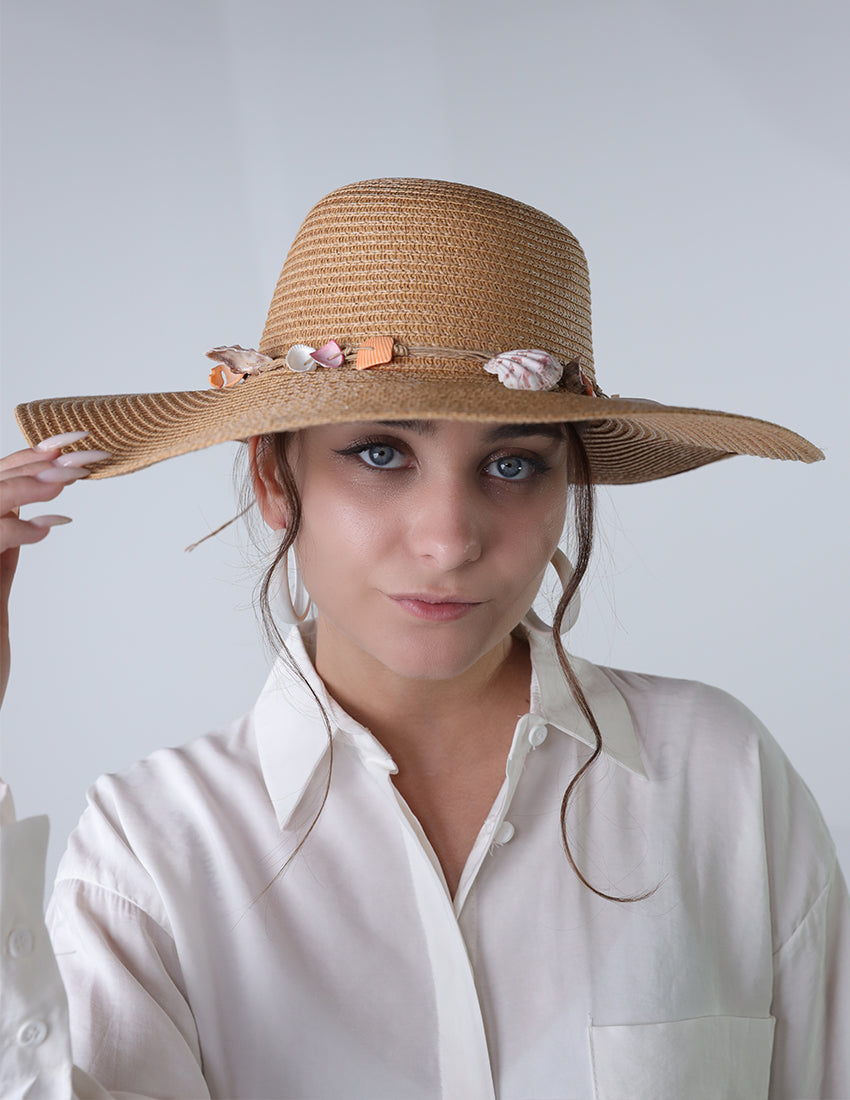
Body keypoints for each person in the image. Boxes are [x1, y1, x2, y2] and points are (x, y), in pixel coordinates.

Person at [1, 178, 847, 1100]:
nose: (449, 541)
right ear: (276, 480)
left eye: (512, 463)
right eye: (381, 453)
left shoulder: (719, 775)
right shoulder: (153, 849)